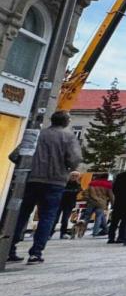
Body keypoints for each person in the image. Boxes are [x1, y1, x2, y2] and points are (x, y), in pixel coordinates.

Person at [8, 111, 82, 264]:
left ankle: (9, 248)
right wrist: (65, 167)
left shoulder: (37, 135)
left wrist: (28, 166)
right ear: (67, 122)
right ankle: (36, 252)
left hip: (32, 179)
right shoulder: (68, 137)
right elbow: (74, 159)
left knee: (22, 214)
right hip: (55, 181)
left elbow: (14, 155)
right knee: (47, 216)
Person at [108, 162, 126, 244]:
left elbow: (114, 188)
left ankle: (111, 237)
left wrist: (118, 195)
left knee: (114, 220)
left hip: (119, 200)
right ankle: (121, 237)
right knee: (124, 220)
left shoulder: (120, 175)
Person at [82, 172, 113, 237]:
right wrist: (113, 203)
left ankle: (82, 231)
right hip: (101, 203)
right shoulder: (108, 184)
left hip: (91, 202)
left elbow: (85, 192)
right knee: (98, 217)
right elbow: (111, 195)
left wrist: (88, 199)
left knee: (87, 217)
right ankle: (95, 232)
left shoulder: (92, 183)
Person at [54, 171, 82, 239]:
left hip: (69, 203)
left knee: (65, 219)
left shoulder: (77, 184)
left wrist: (68, 191)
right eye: (73, 175)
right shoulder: (65, 182)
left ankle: (63, 233)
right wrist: (71, 191)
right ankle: (50, 232)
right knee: (55, 218)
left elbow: (77, 191)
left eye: (76, 176)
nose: (74, 177)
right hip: (60, 202)